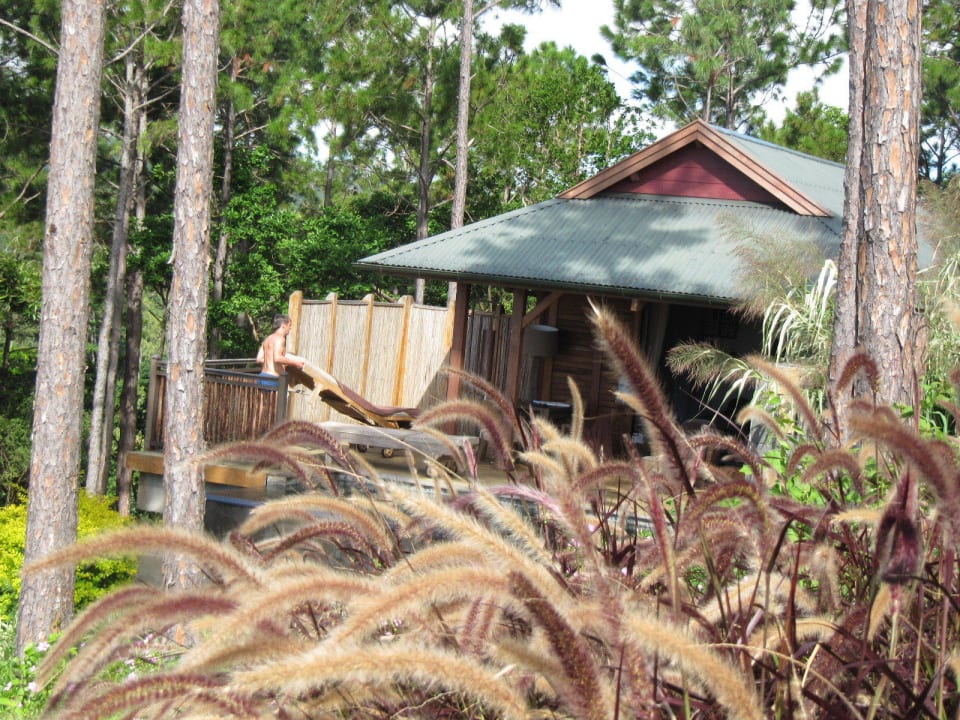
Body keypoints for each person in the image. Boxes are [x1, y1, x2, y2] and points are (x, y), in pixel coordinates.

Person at [256, 314, 305, 388]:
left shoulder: (267, 339)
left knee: (262, 400)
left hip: (262, 376)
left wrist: (271, 361)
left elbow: (259, 359)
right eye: (289, 325)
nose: (290, 328)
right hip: (272, 379)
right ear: (283, 325)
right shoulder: (280, 339)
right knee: (278, 400)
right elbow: (278, 358)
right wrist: (295, 363)